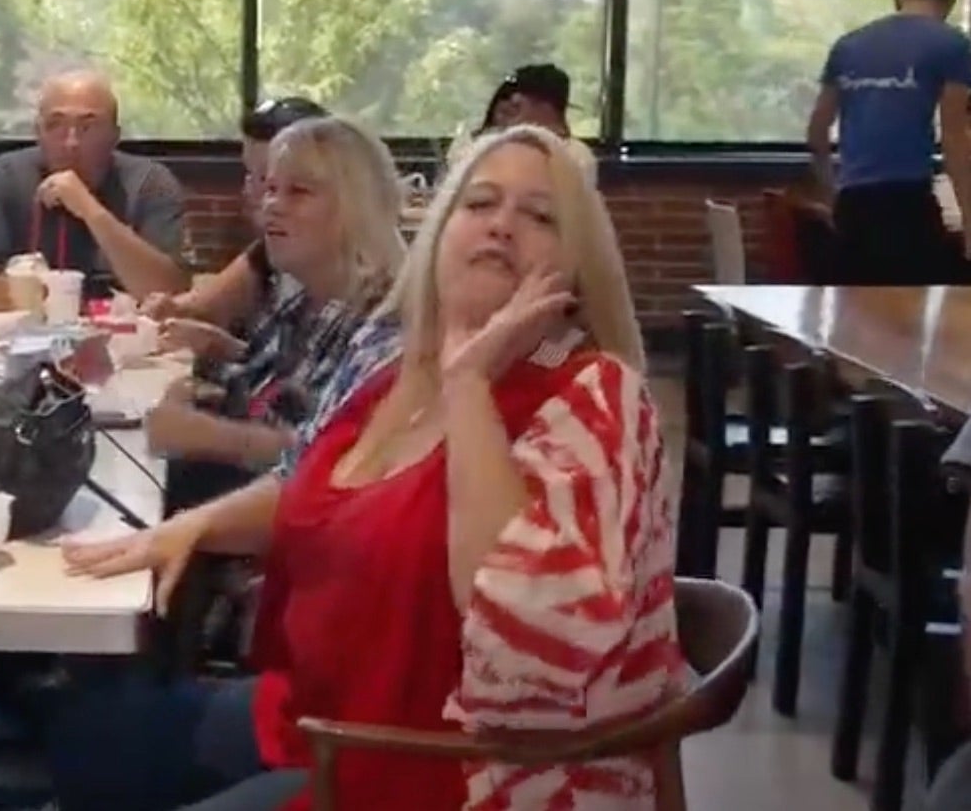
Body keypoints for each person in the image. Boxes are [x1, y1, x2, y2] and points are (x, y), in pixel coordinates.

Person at [52, 125, 680, 811]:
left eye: (539, 217)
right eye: (480, 204)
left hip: (451, 768)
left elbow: (533, 657)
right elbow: (310, 486)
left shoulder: (590, 394)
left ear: (575, 267)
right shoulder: (402, 372)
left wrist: (471, 386)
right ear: (438, 233)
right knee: (88, 735)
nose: (502, 226)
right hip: (323, 711)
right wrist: (191, 527)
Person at [144, 115, 407, 494]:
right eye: (270, 189)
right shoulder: (308, 297)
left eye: (298, 191)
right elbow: (270, 388)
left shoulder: (384, 326)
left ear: (357, 204)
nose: (272, 206)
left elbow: (333, 461)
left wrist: (206, 435)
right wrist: (215, 355)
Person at [806, 0, 971, 284]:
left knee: (856, 315)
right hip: (907, 201)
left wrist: (831, 194)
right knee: (914, 314)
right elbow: (954, 137)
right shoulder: (953, 45)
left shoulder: (848, 45)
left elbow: (817, 130)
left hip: (853, 202)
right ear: (950, 4)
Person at [0, 70, 187, 301]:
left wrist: (90, 210)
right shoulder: (6, 176)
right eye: (55, 125)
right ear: (38, 133)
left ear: (115, 135)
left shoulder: (149, 182)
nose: (71, 142)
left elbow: (170, 293)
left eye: (87, 127)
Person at [144, 97, 329, 333]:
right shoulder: (268, 252)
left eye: (266, 178)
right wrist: (172, 308)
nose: (248, 189)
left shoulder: (351, 278)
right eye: (249, 173)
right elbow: (204, 304)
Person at [460, 65, 595, 189]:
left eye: (516, 109)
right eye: (507, 111)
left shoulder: (576, 155)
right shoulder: (471, 147)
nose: (507, 119)